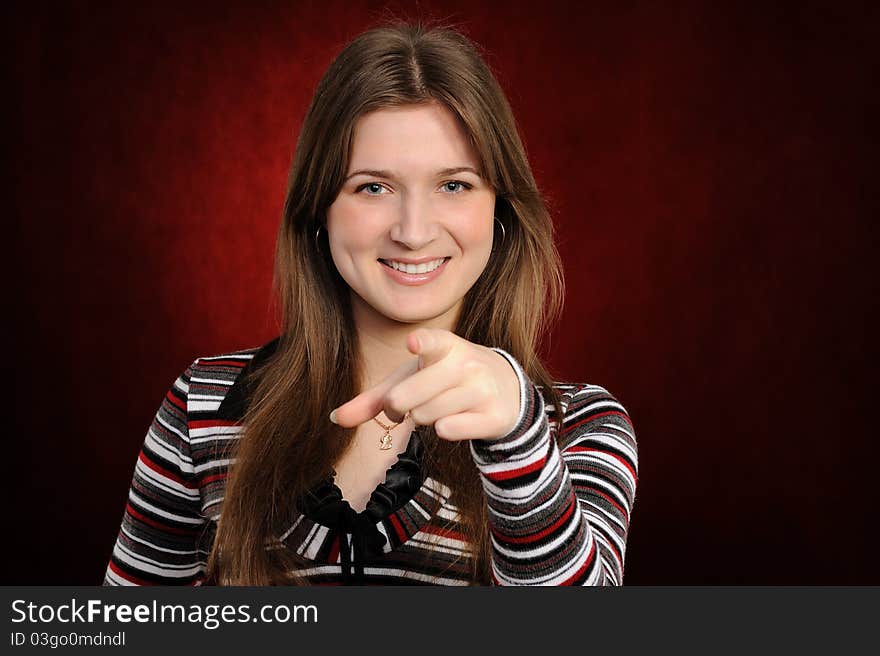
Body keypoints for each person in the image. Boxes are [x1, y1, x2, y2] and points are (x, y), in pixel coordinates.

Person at [103, 21, 638, 586]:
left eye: (454, 185)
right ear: (319, 213)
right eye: (373, 187)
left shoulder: (579, 429)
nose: (412, 232)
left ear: (500, 213)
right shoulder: (203, 408)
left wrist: (516, 437)